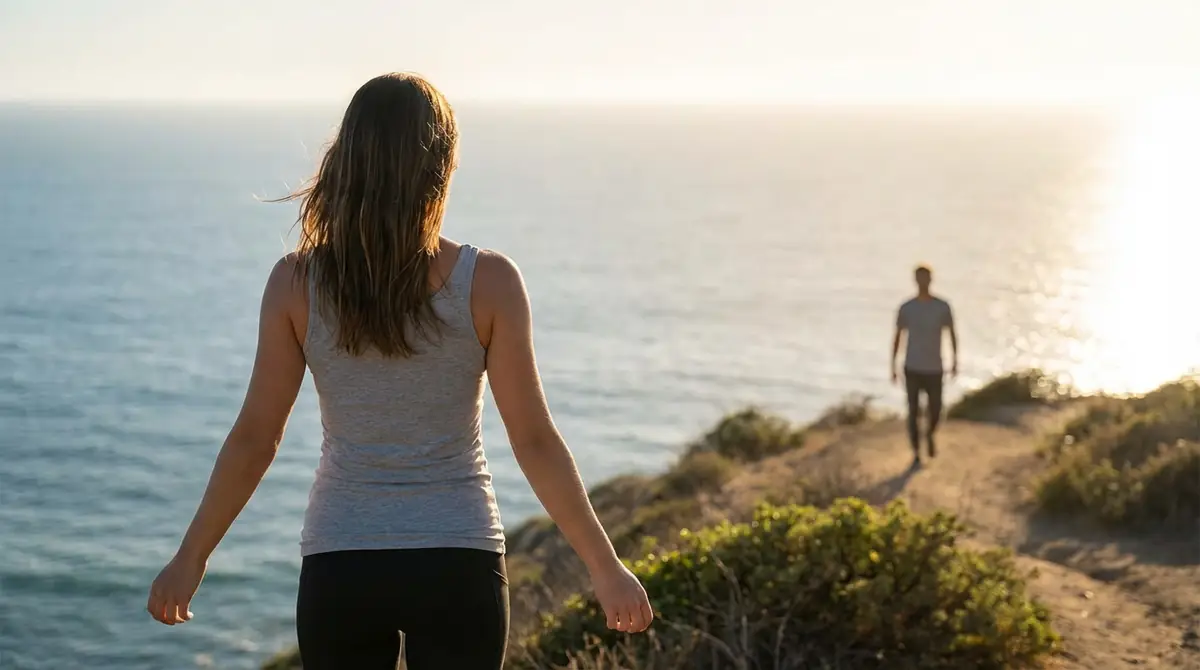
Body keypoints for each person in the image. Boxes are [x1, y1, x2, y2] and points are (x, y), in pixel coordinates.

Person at [146, 73, 653, 669]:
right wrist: (603, 565)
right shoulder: (489, 282)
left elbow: (257, 437)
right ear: (440, 167)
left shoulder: (295, 283)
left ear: (348, 159)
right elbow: (534, 439)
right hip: (457, 559)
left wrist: (192, 558)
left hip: (343, 559)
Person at [891, 265, 957, 465]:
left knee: (936, 409)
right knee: (913, 410)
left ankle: (929, 434)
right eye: (919, 278)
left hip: (935, 367)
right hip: (911, 366)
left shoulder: (942, 307)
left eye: (925, 278)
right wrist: (893, 365)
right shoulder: (907, 307)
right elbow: (898, 336)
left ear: (931, 279)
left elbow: (952, 334)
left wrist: (955, 360)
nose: (922, 282)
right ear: (915, 280)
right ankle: (916, 452)